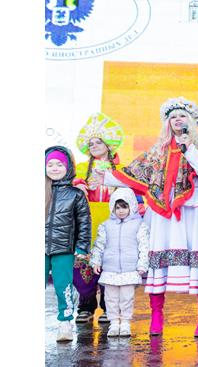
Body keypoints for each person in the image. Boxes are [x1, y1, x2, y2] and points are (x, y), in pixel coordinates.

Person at [94, 97, 198, 337]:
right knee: (158, 263)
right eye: (172, 116)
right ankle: (156, 316)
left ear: (192, 121)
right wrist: (104, 176)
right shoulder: (158, 151)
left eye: (182, 116)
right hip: (163, 210)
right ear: (167, 122)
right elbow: (133, 174)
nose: (177, 119)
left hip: (196, 208)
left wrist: (189, 148)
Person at [72, 112, 126, 325]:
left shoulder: (120, 169)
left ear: (109, 145)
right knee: (84, 265)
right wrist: (78, 185)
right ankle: (85, 307)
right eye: (91, 143)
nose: (94, 146)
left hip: (113, 222)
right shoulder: (80, 169)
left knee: (109, 264)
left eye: (98, 142)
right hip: (88, 221)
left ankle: (107, 307)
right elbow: (72, 186)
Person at [45, 146, 91, 342]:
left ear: (68, 166)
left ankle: (65, 323)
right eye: (50, 164)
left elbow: (84, 222)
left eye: (59, 164)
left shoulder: (75, 194)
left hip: (64, 248)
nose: (54, 168)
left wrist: (82, 247)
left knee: (62, 285)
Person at [89, 188, 150, 338]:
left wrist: (142, 264)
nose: (121, 211)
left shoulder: (139, 225)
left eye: (124, 207)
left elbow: (144, 246)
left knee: (126, 298)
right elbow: (99, 245)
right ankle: (114, 323)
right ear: (112, 208)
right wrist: (96, 261)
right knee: (111, 298)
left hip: (130, 269)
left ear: (131, 206)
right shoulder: (106, 226)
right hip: (110, 270)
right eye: (117, 207)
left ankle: (125, 323)